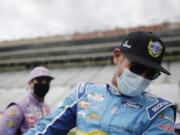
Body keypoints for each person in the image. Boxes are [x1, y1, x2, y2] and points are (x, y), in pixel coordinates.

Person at [24, 32, 176, 135]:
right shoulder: (84, 92)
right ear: (117, 56)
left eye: (151, 73)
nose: (142, 78)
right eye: (136, 68)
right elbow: (46, 129)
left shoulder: (159, 112)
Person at [0, 66, 54, 135]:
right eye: (39, 80)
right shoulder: (17, 108)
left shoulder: (46, 108)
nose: (44, 83)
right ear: (30, 83)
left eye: (47, 81)